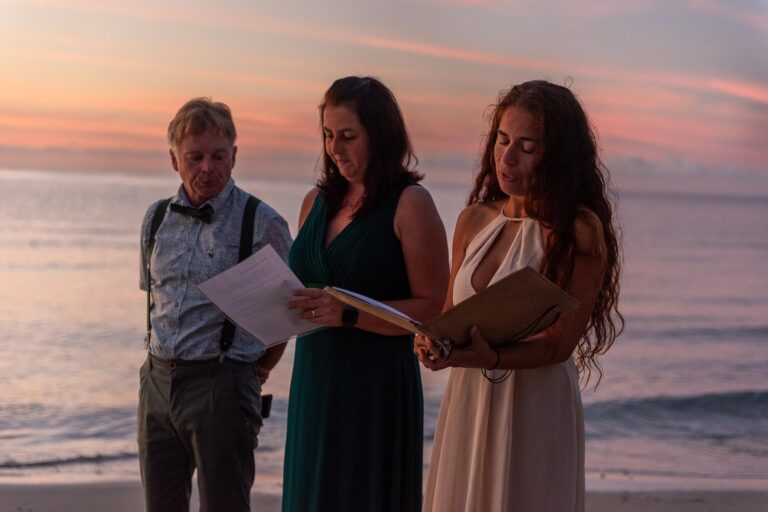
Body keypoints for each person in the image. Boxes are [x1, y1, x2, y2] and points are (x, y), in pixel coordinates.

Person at [415, 80, 624, 512]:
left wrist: (487, 358)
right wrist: (432, 342)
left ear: (557, 157)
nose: (506, 157)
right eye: (502, 139)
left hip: (536, 404)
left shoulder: (577, 231)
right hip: (470, 398)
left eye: (526, 147)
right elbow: (451, 315)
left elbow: (558, 343)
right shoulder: (473, 220)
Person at [282, 76, 449, 512]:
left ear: (380, 135)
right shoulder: (314, 202)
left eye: (348, 136)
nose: (335, 148)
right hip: (314, 383)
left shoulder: (411, 203)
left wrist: (351, 314)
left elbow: (433, 308)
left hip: (374, 390)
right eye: (328, 135)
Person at [138, 97, 292, 512]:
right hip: (156, 382)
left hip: (223, 385)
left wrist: (255, 371)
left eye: (218, 156)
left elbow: (287, 314)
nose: (208, 167)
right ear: (174, 160)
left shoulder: (262, 222)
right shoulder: (155, 219)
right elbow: (155, 301)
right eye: (196, 157)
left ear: (235, 155)